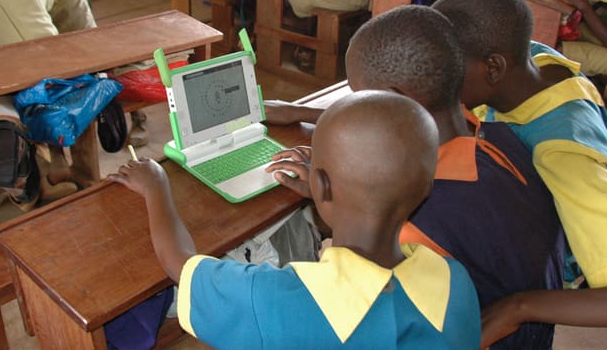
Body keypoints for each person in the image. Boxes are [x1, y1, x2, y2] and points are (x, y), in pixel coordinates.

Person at [266, 5, 565, 349]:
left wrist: (342, 198)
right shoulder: (502, 140)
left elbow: (376, 326)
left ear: (395, 101)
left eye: (360, 99)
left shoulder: (418, 229)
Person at [431, 0, 607, 347]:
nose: (436, 81)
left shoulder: (563, 156)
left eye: (447, 71)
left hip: (539, 265)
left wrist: (520, 307)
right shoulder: (538, 60)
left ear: (493, 68)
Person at [109, 91, 480, 348]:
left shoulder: (272, 300)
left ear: (320, 184)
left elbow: (181, 265)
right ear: (426, 187)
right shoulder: (456, 282)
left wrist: (156, 184)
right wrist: (333, 199)